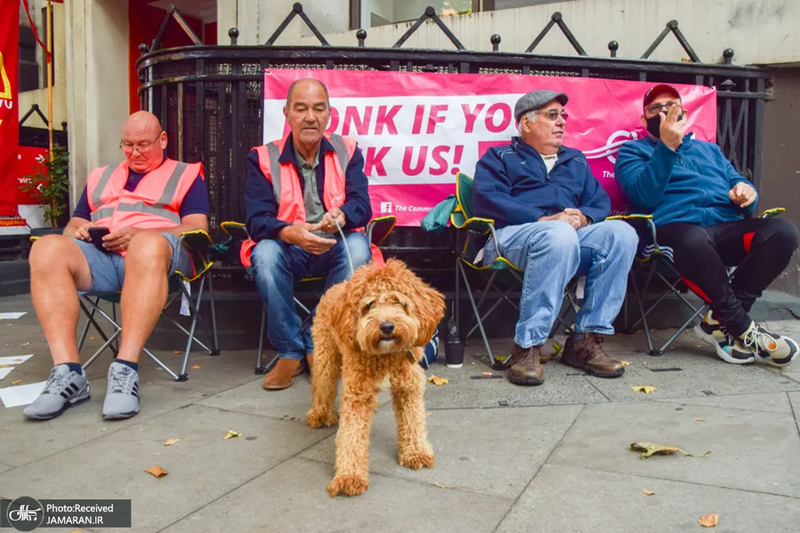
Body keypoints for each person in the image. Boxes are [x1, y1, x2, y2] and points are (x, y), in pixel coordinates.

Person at [24, 111, 210, 421]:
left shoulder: (186, 174)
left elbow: (196, 227)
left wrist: (142, 234)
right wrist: (78, 232)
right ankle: (68, 373)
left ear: (162, 140)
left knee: (147, 245)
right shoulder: (101, 175)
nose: (135, 152)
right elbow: (74, 223)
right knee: (45, 248)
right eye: (127, 145)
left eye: (143, 144)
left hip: (156, 258)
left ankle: (125, 368)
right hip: (102, 256)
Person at [615, 84, 799, 367]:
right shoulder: (632, 152)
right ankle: (742, 327)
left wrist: (746, 192)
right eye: (655, 108)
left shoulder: (709, 150)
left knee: (783, 232)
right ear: (643, 119)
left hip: (725, 227)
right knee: (691, 237)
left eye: (671, 107)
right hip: (675, 233)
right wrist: (666, 147)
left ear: (684, 114)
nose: (664, 112)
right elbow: (643, 196)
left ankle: (718, 321)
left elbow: (737, 183)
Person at [473, 89, 638, 386]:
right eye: (552, 116)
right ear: (526, 123)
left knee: (622, 234)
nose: (561, 122)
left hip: (569, 237)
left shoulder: (575, 160)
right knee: (558, 233)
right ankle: (527, 346)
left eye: (563, 116)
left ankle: (585, 341)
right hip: (514, 237)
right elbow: (487, 200)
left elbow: (599, 202)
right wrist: (543, 219)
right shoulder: (499, 157)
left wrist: (583, 217)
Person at [244, 78, 372, 390]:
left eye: (318, 109)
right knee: (263, 253)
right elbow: (256, 220)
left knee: (359, 250)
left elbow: (362, 205)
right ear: (287, 113)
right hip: (289, 248)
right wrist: (290, 233)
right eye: (301, 109)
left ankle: (317, 342)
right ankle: (289, 351)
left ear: (329, 114)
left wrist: (342, 216)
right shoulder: (262, 157)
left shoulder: (348, 151)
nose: (310, 117)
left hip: (334, 244)